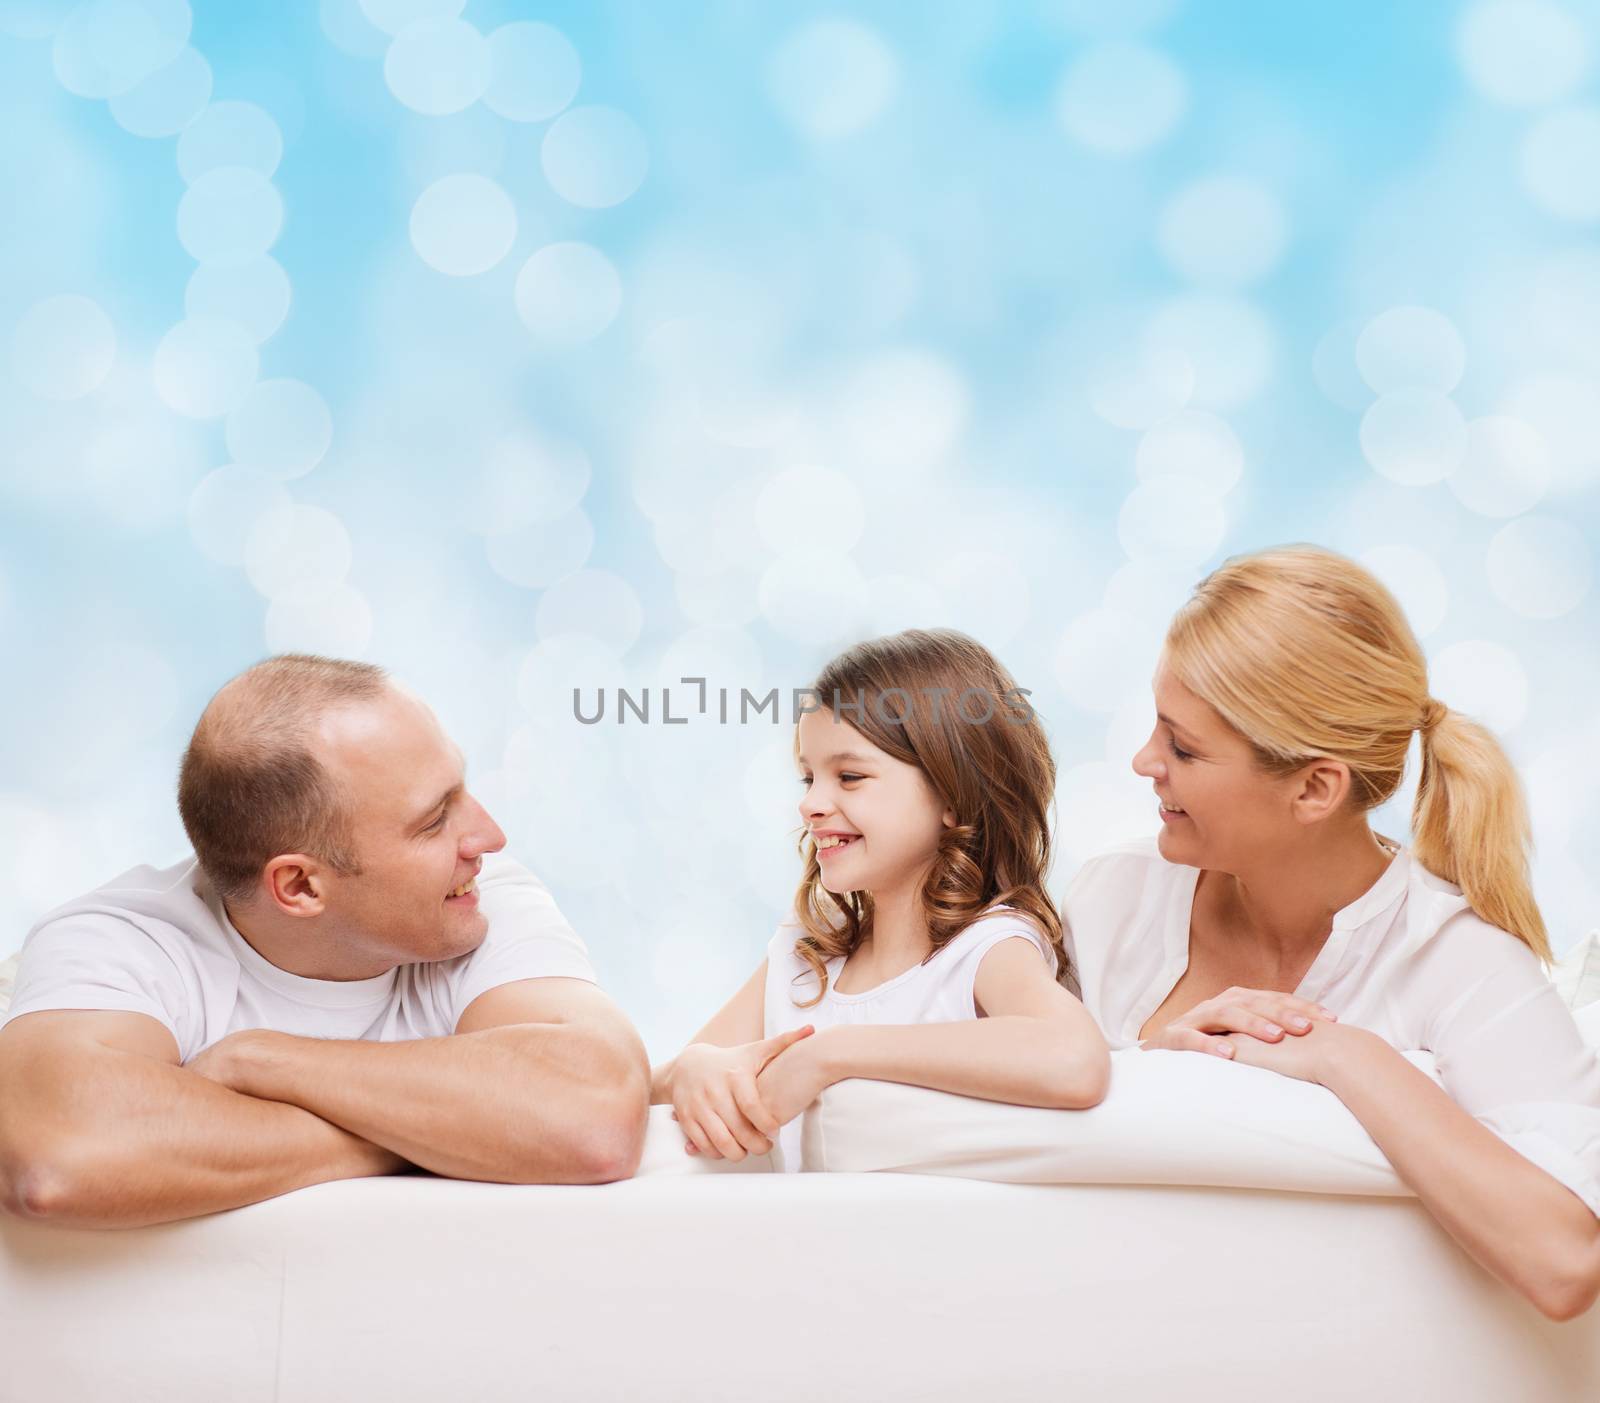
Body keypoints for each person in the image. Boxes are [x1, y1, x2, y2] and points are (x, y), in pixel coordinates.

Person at [1065, 545, 1600, 1321]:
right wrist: (1168, 1077)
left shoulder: (1459, 959)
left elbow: (1567, 1262)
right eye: (1157, 725)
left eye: (1183, 746)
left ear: (1315, 787)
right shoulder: (1117, 896)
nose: (1145, 759)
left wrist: (1340, 1054)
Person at [0, 654, 649, 1229]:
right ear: (301, 886)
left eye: (463, 789)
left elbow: (597, 1116)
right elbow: (58, 1158)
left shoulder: (477, 900)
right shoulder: (119, 941)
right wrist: (438, 1137)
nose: (489, 836)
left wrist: (263, 1061)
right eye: (433, 820)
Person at [651, 628, 1110, 1171]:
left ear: (954, 796)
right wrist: (692, 1068)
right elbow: (655, 1095)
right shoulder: (802, 959)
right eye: (808, 778)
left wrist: (831, 1054)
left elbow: (1076, 1060)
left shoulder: (985, 950)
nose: (812, 804)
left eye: (849, 777)